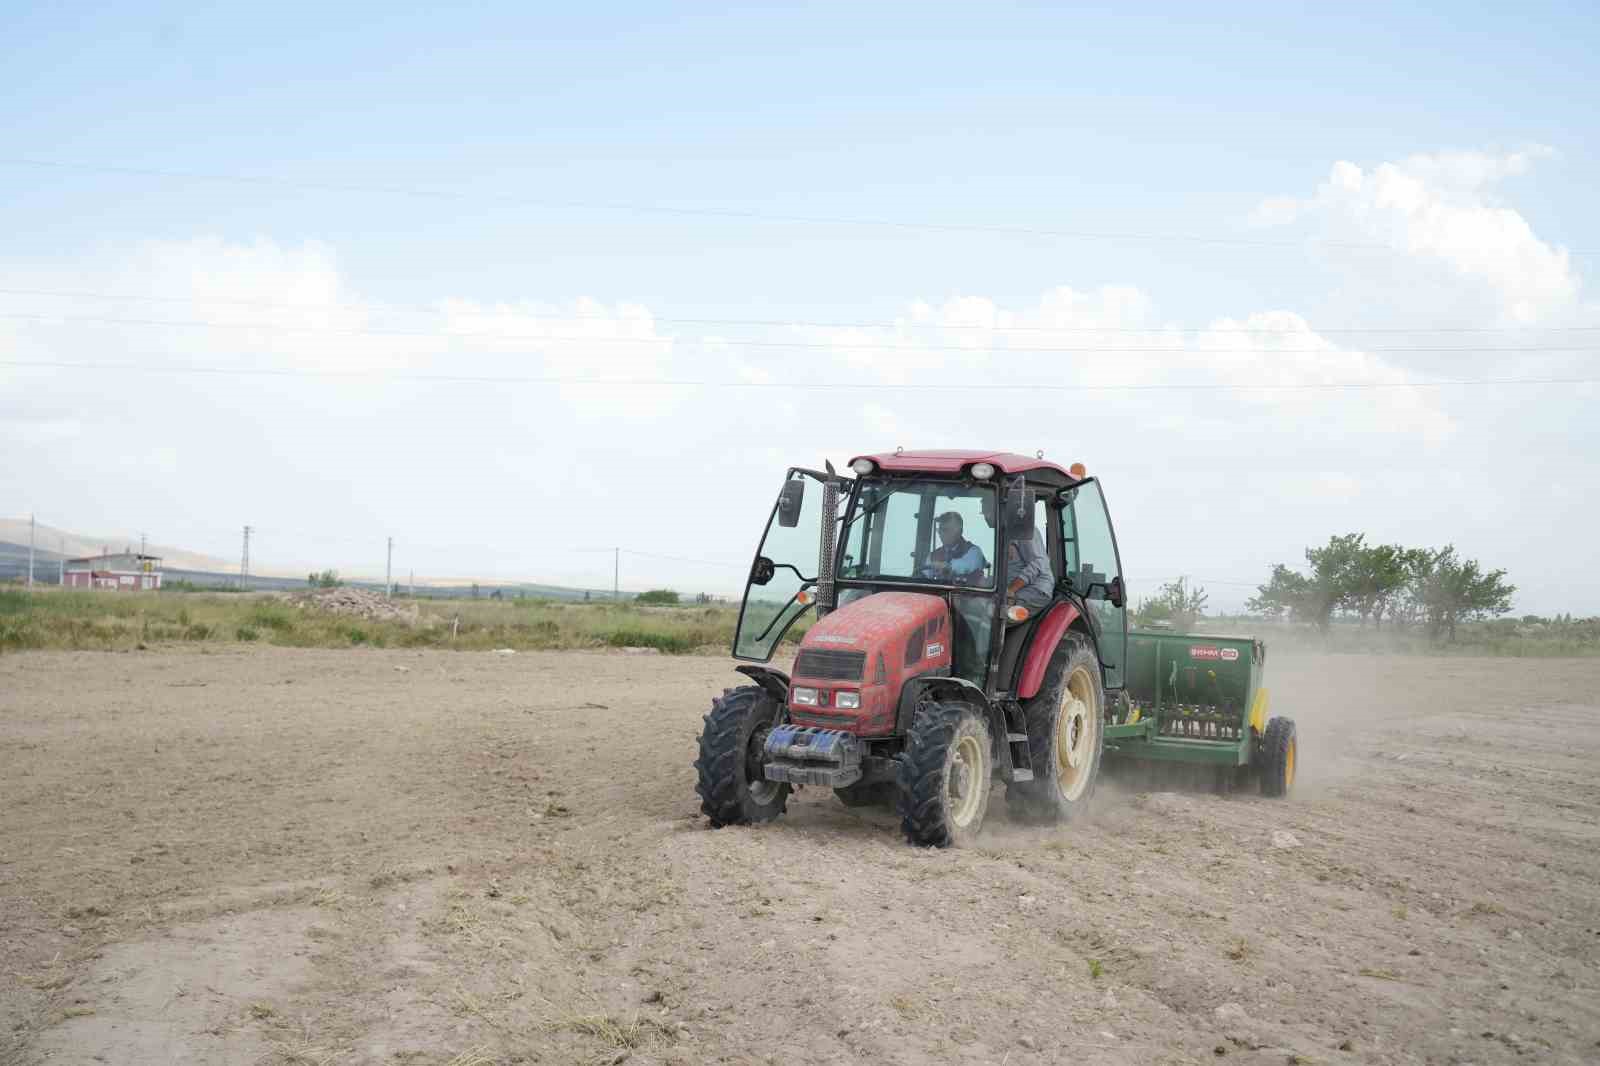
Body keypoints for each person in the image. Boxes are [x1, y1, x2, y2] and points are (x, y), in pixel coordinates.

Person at [921, 511, 987, 583]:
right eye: (940, 530)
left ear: (959, 531)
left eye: (945, 530)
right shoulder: (933, 556)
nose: (941, 533)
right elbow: (924, 577)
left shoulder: (974, 552)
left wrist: (948, 567)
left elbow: (966, 565)